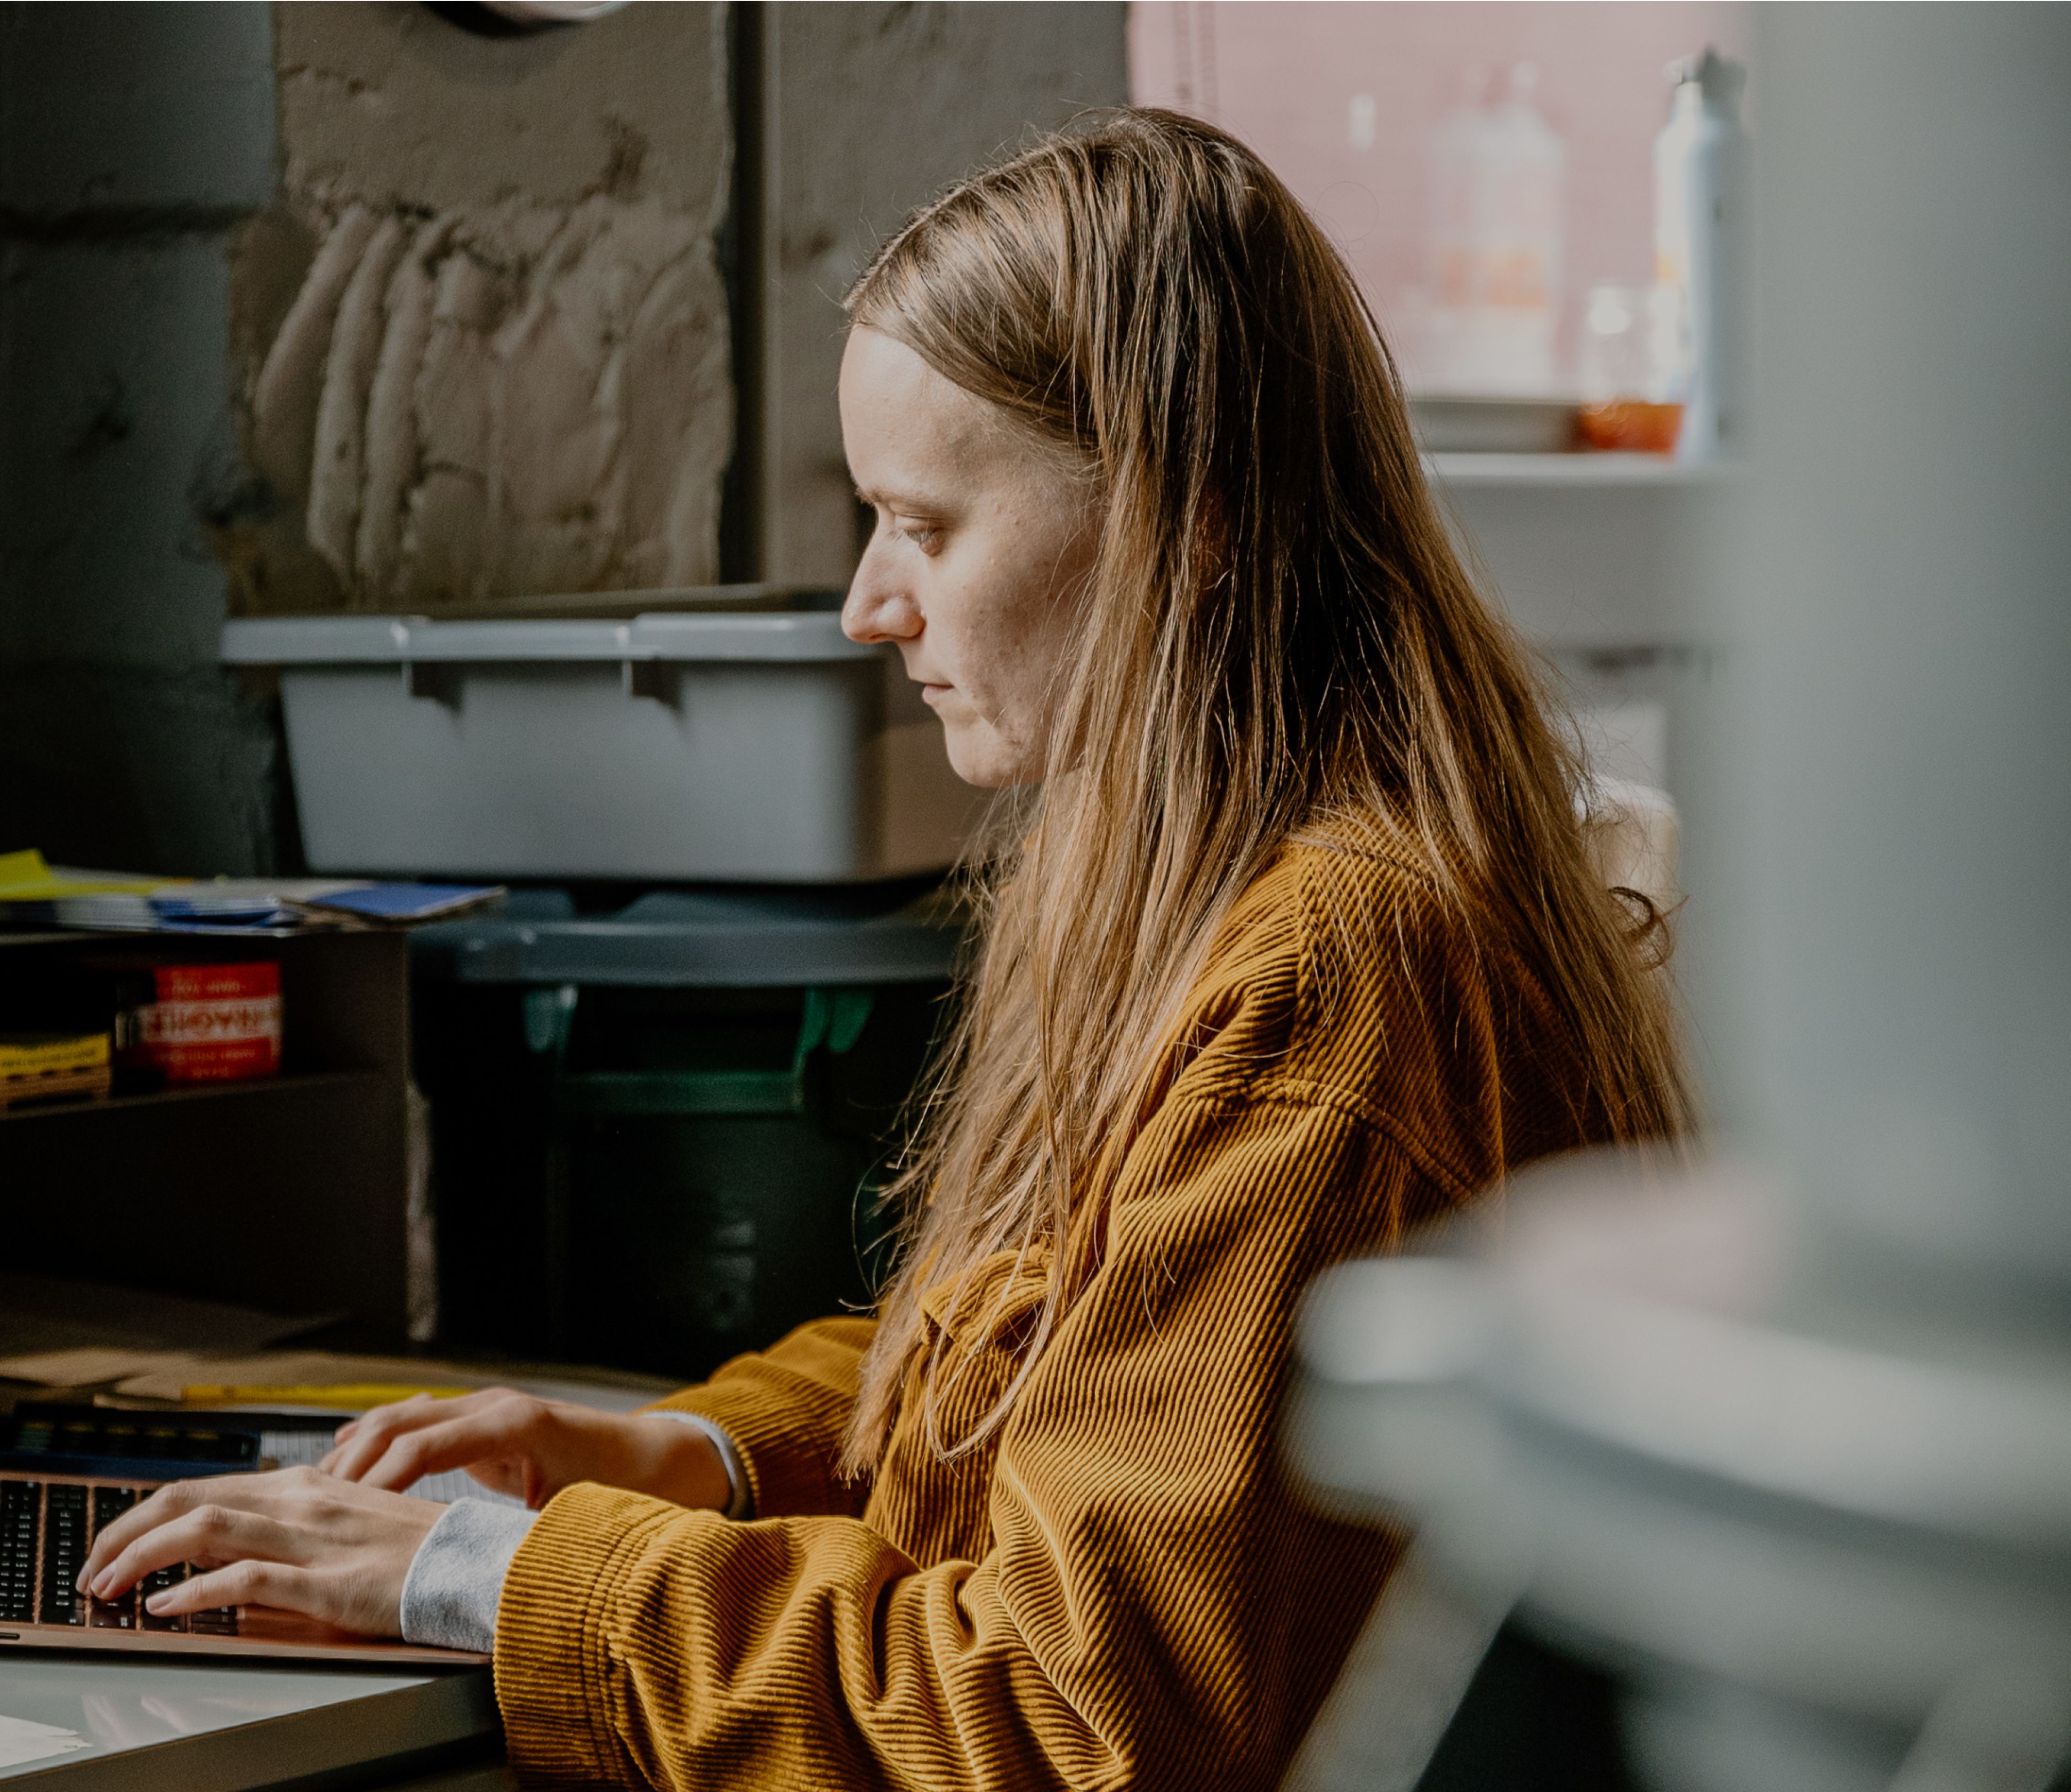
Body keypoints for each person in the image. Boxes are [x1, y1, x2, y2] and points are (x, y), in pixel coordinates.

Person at [82, 109, 1683, 1790]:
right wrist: (685, 1445)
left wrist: (467, 1575)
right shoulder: (1192, 867)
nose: (866, 604)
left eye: (924, 524)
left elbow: (1062, 1718)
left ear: (1188, 516)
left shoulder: (1333, 973)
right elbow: (1049, 1348)